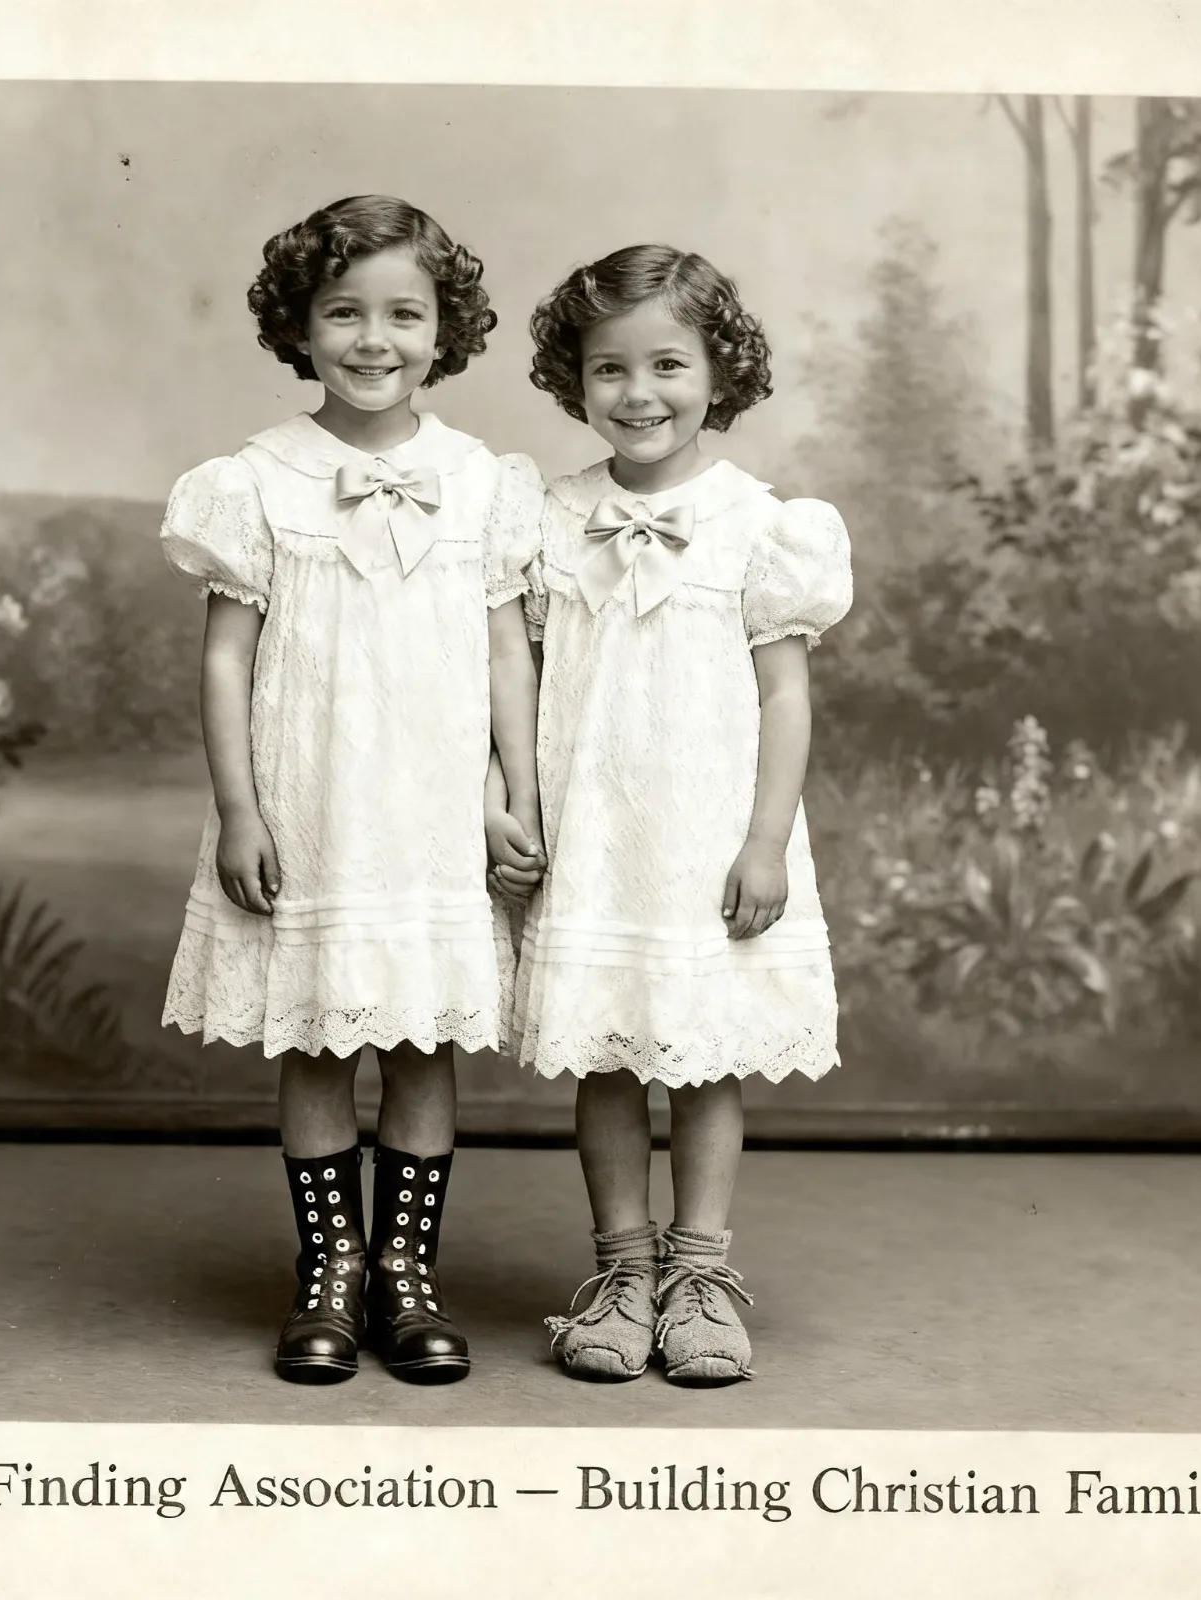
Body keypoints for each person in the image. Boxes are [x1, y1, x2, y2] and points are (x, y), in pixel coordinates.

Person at [160, 195, 543, 1385]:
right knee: (320, 1040)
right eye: (343, 312)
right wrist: (239, 809)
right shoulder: (259, 479)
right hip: (312, 799)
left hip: (432, 805)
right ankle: (327, 1269)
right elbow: (227, 657)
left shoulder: (480, 482)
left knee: (423, 1037)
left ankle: (404, 1273)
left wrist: (512, 792)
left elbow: (502, 656)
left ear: (445, 328)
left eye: (403, 314)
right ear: (300, 326)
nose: (373, 339)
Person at [488, 243, 852, 1384]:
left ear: (718, 369)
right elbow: (512, 678)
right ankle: (622, 1270)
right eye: (607, 370)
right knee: (604, 1055)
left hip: (706, 834)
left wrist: (762, 839)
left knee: (701, 1063)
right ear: (572, 380)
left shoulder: (760, 522)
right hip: (598, 832)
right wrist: (513, 801)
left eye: (665, 365)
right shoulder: (549, 517)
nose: (637, 394)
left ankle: (698, 1275)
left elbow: (785, 692)